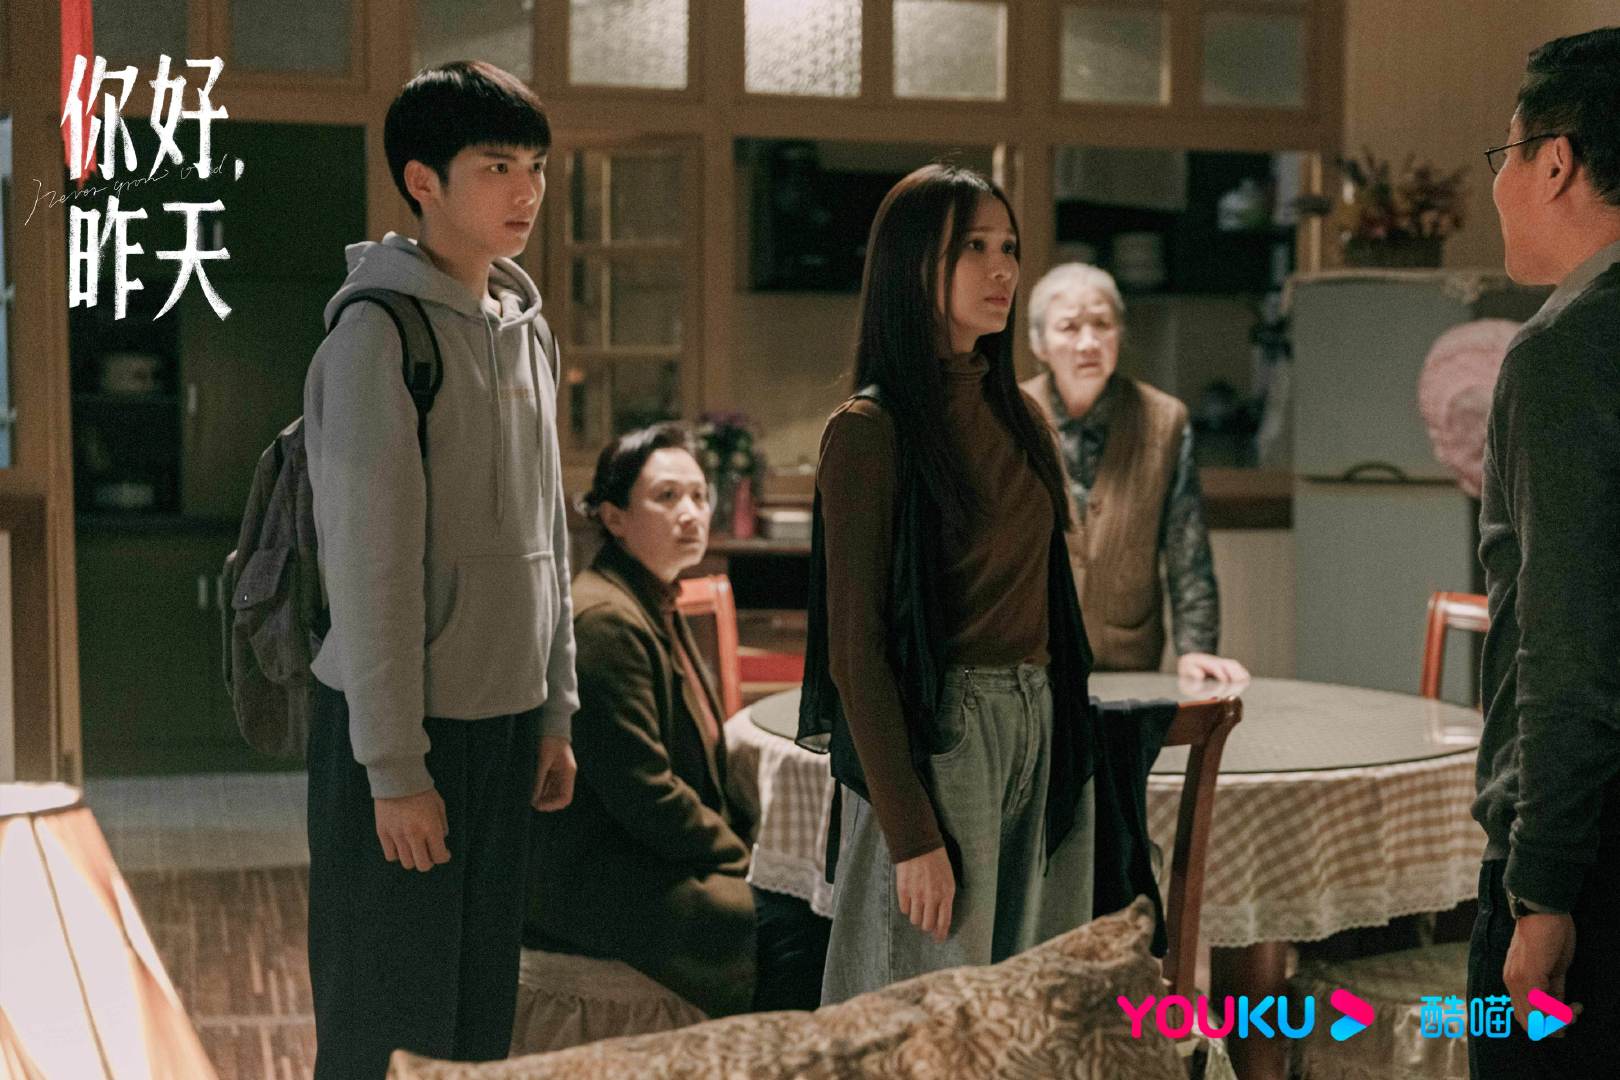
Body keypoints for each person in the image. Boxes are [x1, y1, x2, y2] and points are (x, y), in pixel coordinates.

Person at [301, 61, 577, 1079]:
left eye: (536, 165)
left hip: (505, 726)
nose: (527, 190)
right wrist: (395, 770)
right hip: (403, 734)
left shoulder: (527, 330)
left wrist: (555, 709)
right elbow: (369, 573)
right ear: (423, 180)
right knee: (386, 1028)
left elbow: (550, 541)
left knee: (475, 1030)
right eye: (498, 165)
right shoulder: (377, 335)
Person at [803, 163, 1103, 1004]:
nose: (1002, 269)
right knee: (919, 1019)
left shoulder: (1020, 415)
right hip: (943, 736)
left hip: (1039, 717)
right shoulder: (869, 431)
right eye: (973, 247)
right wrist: (910, 835)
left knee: (1021, 1012)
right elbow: (855, 654)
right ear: (912, 265)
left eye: (1008, 247)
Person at [1467, 26, 1620, 1078]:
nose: (1500, 185)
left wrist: (1541, 890)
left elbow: (1569, 651)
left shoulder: (1562, 353)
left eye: (1505, 154)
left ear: (1555, 161)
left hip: (1587, 862)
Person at [521, 422, 757, 1043]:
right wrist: (744, 860)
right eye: (666, 496)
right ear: (614, 518)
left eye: (700, 496)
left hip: (638, 853)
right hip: (602, 876)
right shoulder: (606, 619)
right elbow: (644, 792)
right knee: (788, 929)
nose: (691, 513)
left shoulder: (647, 598)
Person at [1020, 263, 1247, 683]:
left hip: (1128, 656)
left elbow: (1187, 547)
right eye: (1069, 327)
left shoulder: (1164, 420)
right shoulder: (1011, 416)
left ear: (1119, 334)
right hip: (1031, 660)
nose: (1088, 342)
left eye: (1102, 324)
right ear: (1039, 343)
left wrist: (1196, 648)